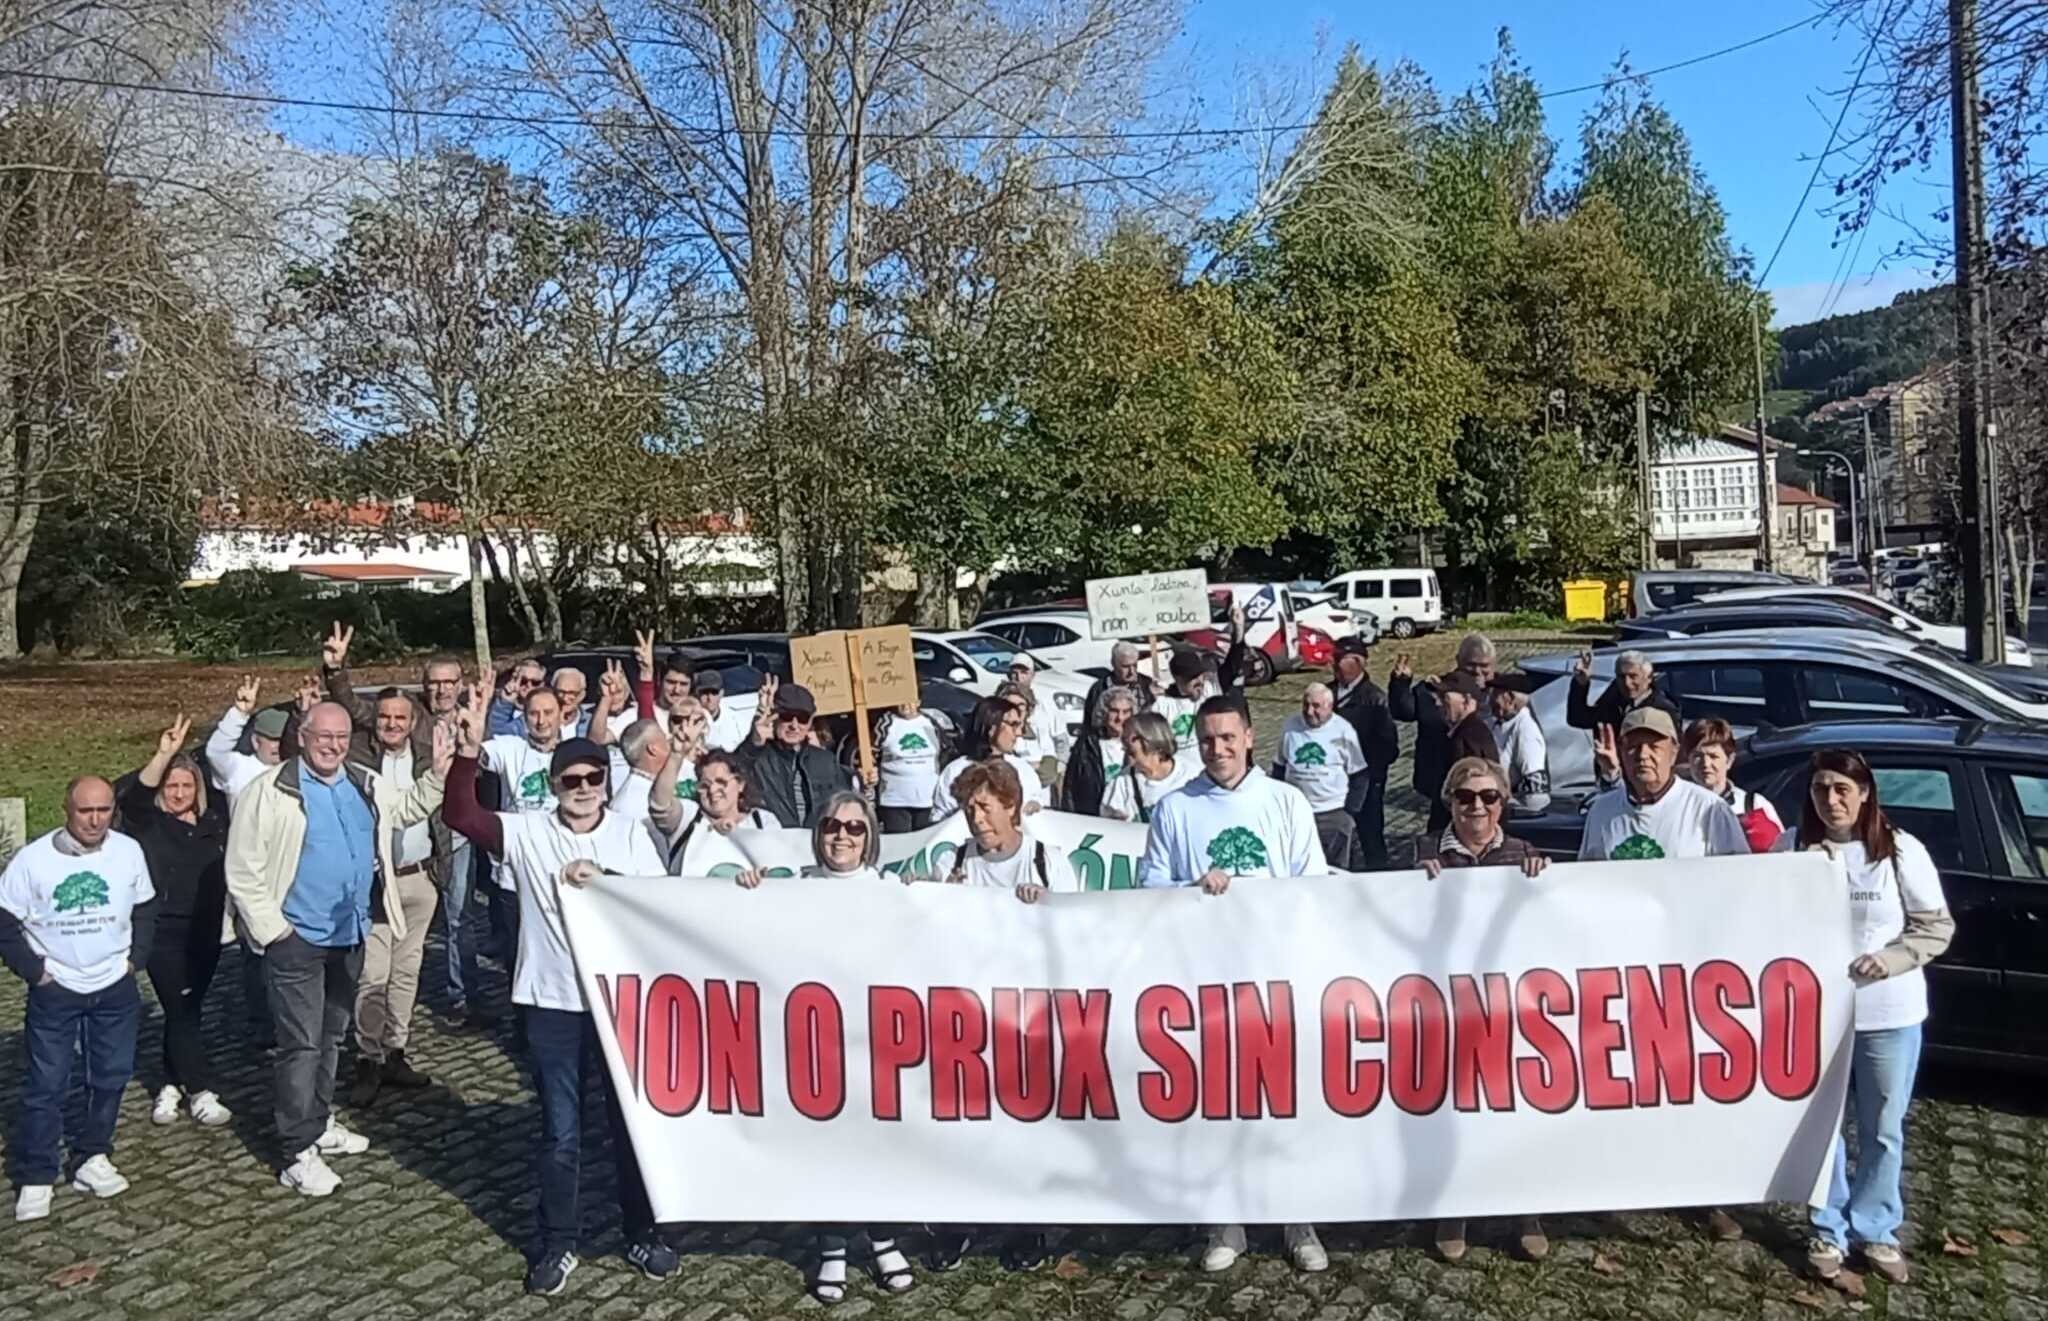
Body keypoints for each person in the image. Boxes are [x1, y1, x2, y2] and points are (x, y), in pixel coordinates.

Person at [445, 689, 676, 1297]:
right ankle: (558, 1241)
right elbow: (462, 819)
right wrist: (467, 756)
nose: (583, 787)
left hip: (618, 1003)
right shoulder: (528, 833)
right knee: (560, 1131)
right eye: (571, 778)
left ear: (605, 780)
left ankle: (642, 1230)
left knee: (631, 1127)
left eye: (593, 777)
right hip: (551, 1001)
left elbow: (657, 903)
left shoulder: (628, 833)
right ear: (553, 784)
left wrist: (609, 880)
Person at [224, 701, 449, 1198]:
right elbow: (242, 870)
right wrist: (274, 932)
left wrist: (437, 775)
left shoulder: (363, 783)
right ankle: (295, 1151)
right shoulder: (270, 791)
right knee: (300, 1044)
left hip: (348, 935)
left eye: (342, 736)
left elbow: (407, 809)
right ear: (302, 736)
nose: (333, 745)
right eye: (323, 736)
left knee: (330, 1037)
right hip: (296, 939)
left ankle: (319, 1120)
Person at [1138, 697, 1328, 1274]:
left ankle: (1298, 1220)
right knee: (1219, 1103)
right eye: (1207, 740)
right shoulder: (1175, 809)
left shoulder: (1285, 802)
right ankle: (1228, 1221)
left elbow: (1313, 884)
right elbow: (1146, 889)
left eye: (1227, 737)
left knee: (1281, 1105)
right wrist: (1189, 888)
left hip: (1275, 978)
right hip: (1205, 981)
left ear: (1249, 736)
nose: (1217, 749)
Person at [732, 792, 917, 1301]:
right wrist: (748, 894)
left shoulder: (887, 889)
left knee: (878, 1143)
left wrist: (928, 898)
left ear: (870, 839)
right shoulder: (797, 889)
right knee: (826, 1146)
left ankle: (883, 1238)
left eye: (855, 829)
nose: (842, 836)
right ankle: (832, 1247)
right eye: (833, 826)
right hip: (817, 1041)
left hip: (874, 1040)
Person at [1779, 750, 1953, 1286]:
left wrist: (1890, 960)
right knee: (1822, 1127)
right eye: (1819, 790)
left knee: (1882, 1127)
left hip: (1889, 1012)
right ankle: (1827, 1227)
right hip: (1818, 1016)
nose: (1830, 801)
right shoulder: (1792, 847)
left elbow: (1935, 927)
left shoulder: (1899, 850)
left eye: (1841, 790)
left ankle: (1877, 1228)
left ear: (1865, 794)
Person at [920, 759, 1080, 1274]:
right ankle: (959, 1221)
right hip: (966, 1018)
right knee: (963, 1123)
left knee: (1024, 1122)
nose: (977, 818)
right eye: (969, 809)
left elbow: (1082, 932)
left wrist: (1047, 908)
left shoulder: (1045, 861)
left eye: (986, 807)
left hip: (1028, 1015)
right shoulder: (955, 864)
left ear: (1012, 807)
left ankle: (1026, 1224)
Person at [1, 777, 157, 1222]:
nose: (95, 820)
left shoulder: (128, 851)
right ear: (67, 810)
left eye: (104, 810)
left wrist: (135, 959)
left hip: (114, 985)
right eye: (86, 811)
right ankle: (36, 1173)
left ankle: (93, 1154)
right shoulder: (33, 861)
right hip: (57, 988)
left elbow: (145, 907)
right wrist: (36, 972)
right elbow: (4, 920)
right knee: (45, 1085)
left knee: (110, 1076)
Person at [1414, 757, 1549, 1263]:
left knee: (1514, 1109)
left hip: (1510, 1009)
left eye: (1489, 797)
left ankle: (1525, 1209)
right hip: (1447, 1008)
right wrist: (1411, 885)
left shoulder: (1522, 853)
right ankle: (1456, 1207)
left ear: (1503, 803)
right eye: (1466, 796)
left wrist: (1545, 883)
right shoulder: (1424, 851)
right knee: (1456, 1112)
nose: (1477, 806)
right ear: (1450, 801)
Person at [119, 717, 232, 1129]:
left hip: (205, 932)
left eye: (186, 785)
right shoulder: (147, 823)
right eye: (171, 786)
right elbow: (133, 799)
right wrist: (164, 754)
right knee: (180, 1006)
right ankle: (201, 1090)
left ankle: (169, 1082)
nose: (179, 793)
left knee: (186, 1010)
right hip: (163, 932)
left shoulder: (213, 823)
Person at [346, 688, 448, 1109]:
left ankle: (395, 1051)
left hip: (420, 878)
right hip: (376, 884)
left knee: (407, 971)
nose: (391, 724)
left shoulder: (427, 756)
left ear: (412, 722)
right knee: (374, 974)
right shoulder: (358, 761)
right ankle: (367, 1058)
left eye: (399, 718)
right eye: (384, 717)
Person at [1578, 707, 1748, 862]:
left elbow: (1738, 877)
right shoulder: (1601, 811)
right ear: (1621, 752)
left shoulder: (1709, 809)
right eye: (1634, 746)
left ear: (1674, 752)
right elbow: (1585, 881)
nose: (1643, 755)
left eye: (1654, 746)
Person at [1389, 633, 1497, 818]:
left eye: (1484, 667)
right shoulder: (1438, 689)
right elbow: (1404, 711)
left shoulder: (1502, 692)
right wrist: (1400, 684)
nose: (1478, 672)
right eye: (1471, 666)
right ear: (1458, 661)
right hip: (1437, 775)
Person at [1272, 683, 1370, 870]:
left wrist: (1349, 812)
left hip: (1332, 812)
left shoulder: (1343, 731)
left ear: (1329, 706)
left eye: (1316, 706)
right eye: (1305, 705)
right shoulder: (1290, 726)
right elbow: (1279, 767)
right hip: (1297, 812)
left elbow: (1359, 775)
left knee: (1336, 869)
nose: (1309, 711)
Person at [734, 677, 856, 828]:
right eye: (787, 716)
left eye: (802, 718)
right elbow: (732, 774)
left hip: (816, 844)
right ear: (775, 715)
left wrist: (866, 785)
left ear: (811, 721)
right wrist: (753, 743)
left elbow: (845, 803)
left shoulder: (825, 760)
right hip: (775, 844)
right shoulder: (757, 758)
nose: (794, 725)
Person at [651, 748, 778, 873]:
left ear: (740, 784)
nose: (712, 791)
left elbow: (779, 868)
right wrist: (676, 755)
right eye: (704, 785)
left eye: (721, 782)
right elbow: (660, 805)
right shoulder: (687, 819)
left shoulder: (763, 821)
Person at [1330, 637, 1399, 867]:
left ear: (1359, 663)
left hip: (1366, 779)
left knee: (1370, 835)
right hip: (1331, 779)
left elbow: (1389, 746)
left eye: (1342, 659)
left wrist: (1371, 774)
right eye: (1335, 659)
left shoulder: (1375, 698)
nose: (1336, 665)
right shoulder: (1327, 695)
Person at [1567, 648, 1679, 786]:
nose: (1627, 683)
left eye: (1633, 676)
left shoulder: (1663, 709)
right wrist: (1581, 684)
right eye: (1621, 677)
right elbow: (1578, 718)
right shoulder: (1613, 699)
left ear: (1648, 678)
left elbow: (1674, 751)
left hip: (1647, 780)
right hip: (1611, 778)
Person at [934, 696, 1047, 820]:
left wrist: (1035, 806)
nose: (1019, 733)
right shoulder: (955, 772)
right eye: (1013, 725)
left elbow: (1039, 804)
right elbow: (941, 818)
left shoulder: (1023, 770)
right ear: (992, 728)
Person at [1682, 718, 1782, 852]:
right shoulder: (1679, 805)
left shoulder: (1753, 805)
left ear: (1729, 760)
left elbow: (1784, 857)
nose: (1705, 764)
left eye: (1713, 756)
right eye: (1697, 756)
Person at [1428, 671, 1501, 833]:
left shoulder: (1468, 738)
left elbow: (1469, 791)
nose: (1438, 704)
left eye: (1445, 698)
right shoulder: (1467, 731)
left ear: (1467, 701)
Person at [204, 675, 295, 803]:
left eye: (283, 739)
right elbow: (215, 751)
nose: (279, 746)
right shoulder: (238, 768)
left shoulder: (296, 770)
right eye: (273, 739)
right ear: (255, 741)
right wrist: (238, 713)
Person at [1101, 711, 1198, 823]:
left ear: (1152, 737)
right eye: (1123, 739)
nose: (1125, 745)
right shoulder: (1120, 783)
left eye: (1131, 738)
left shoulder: (1192, 775)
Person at [482, 686, 565, 814]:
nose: (541, 721)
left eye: (548, 713)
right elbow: (473, 755)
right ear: (525, 718)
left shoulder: (574, 752)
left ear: (561, 714)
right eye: (533, 714)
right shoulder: (508, 746)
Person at [1061, 686, 1138, 816]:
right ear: (1104, 712)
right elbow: (1070, 787)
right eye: (1114, 711)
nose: (1120, 718)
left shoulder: (1140, 744)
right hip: (1094, 818)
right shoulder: (1087, 745)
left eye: (1126, 712)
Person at [1486, 675, 1552, 814]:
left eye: (1495, 694)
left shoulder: (1526, 731)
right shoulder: (1496, 724)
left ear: (1509, 699)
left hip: (1515, 814)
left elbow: (1535, 792)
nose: (1489, 700)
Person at [876, 700, 943, 833]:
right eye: (901, 699)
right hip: (894, 801)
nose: (906, 704)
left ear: (918, 702)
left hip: (926, 800)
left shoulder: (930, 723)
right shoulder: (886, 723)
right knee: (900, 846)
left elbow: (946, 751)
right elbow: (871, 751)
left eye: (910, 700)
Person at [1081, 641, 1159, 729]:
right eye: (1126, 666)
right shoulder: (1099, 689)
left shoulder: (1146, 684)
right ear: (1113, 664)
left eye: (1134, 665)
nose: (1131, 672)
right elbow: (1090, 724)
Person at [1004, 655, 1065, 763]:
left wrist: (1062, 764)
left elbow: (1061, 739)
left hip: (1049, 765)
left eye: (1024, 672)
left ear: (1032, 675)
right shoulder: (1002, 705)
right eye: (1014, 673)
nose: (1018, 678)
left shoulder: (1045, 703)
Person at [695, 667, 752, 753]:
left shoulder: (737, 721)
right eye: (705, 692)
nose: (709, 698)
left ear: (721, 693)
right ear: (697, 693)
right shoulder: (688, 720)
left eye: (714, 692)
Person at [489, 658, 548, 737]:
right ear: (514, 680)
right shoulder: (500, 706)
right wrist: (505, 703)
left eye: (535, 682)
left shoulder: (551, 709)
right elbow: (495, 735)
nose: (528, 686)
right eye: (523, 681)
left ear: (542, 684)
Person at [550, 666, 592, 738]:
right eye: (561, 692)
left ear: (582, 695)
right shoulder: (542, 721)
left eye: (572, 693)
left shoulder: (591, 723)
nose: (565, 698)